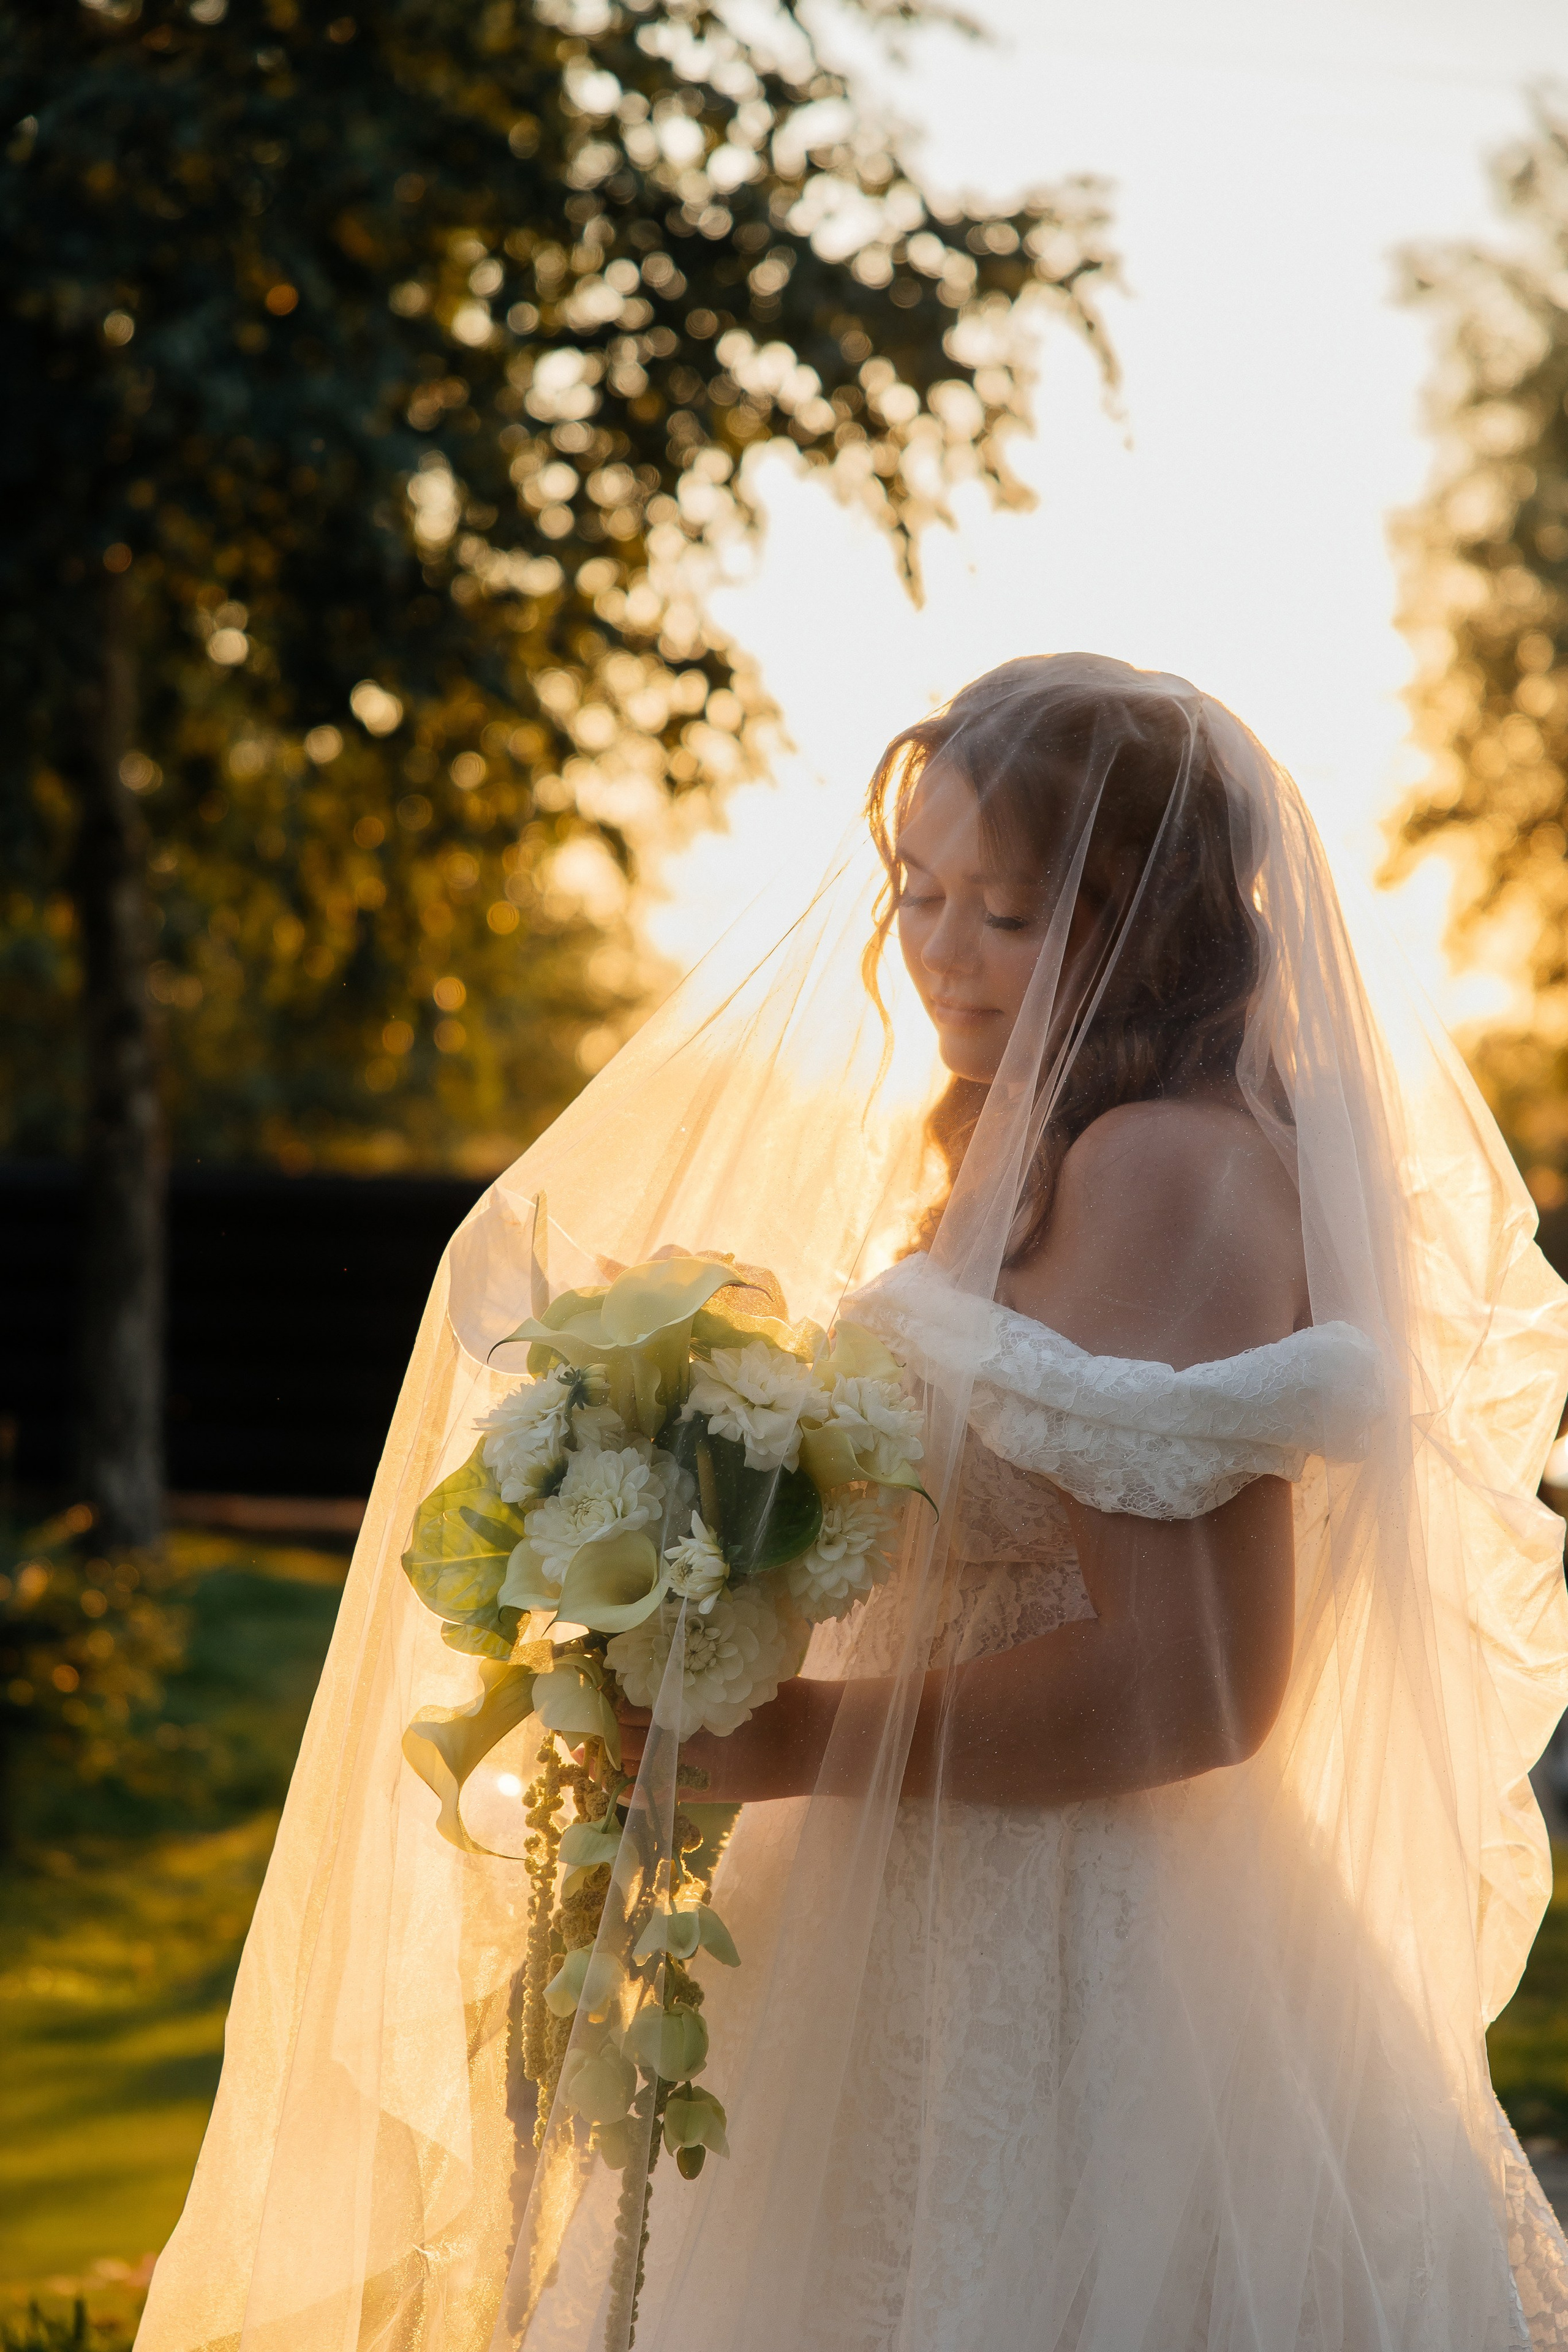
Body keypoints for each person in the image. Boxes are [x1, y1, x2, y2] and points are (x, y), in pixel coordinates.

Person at [137, 656, 1568, 2352]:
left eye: (1012, 916)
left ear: (1155, 925)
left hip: (1078, 1969)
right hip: (894, 1915)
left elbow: (1200, 1686)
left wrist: (796, 1735)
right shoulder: (1022, 1136)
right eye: (920, 893)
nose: (943, 955)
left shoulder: (1164, 1164)